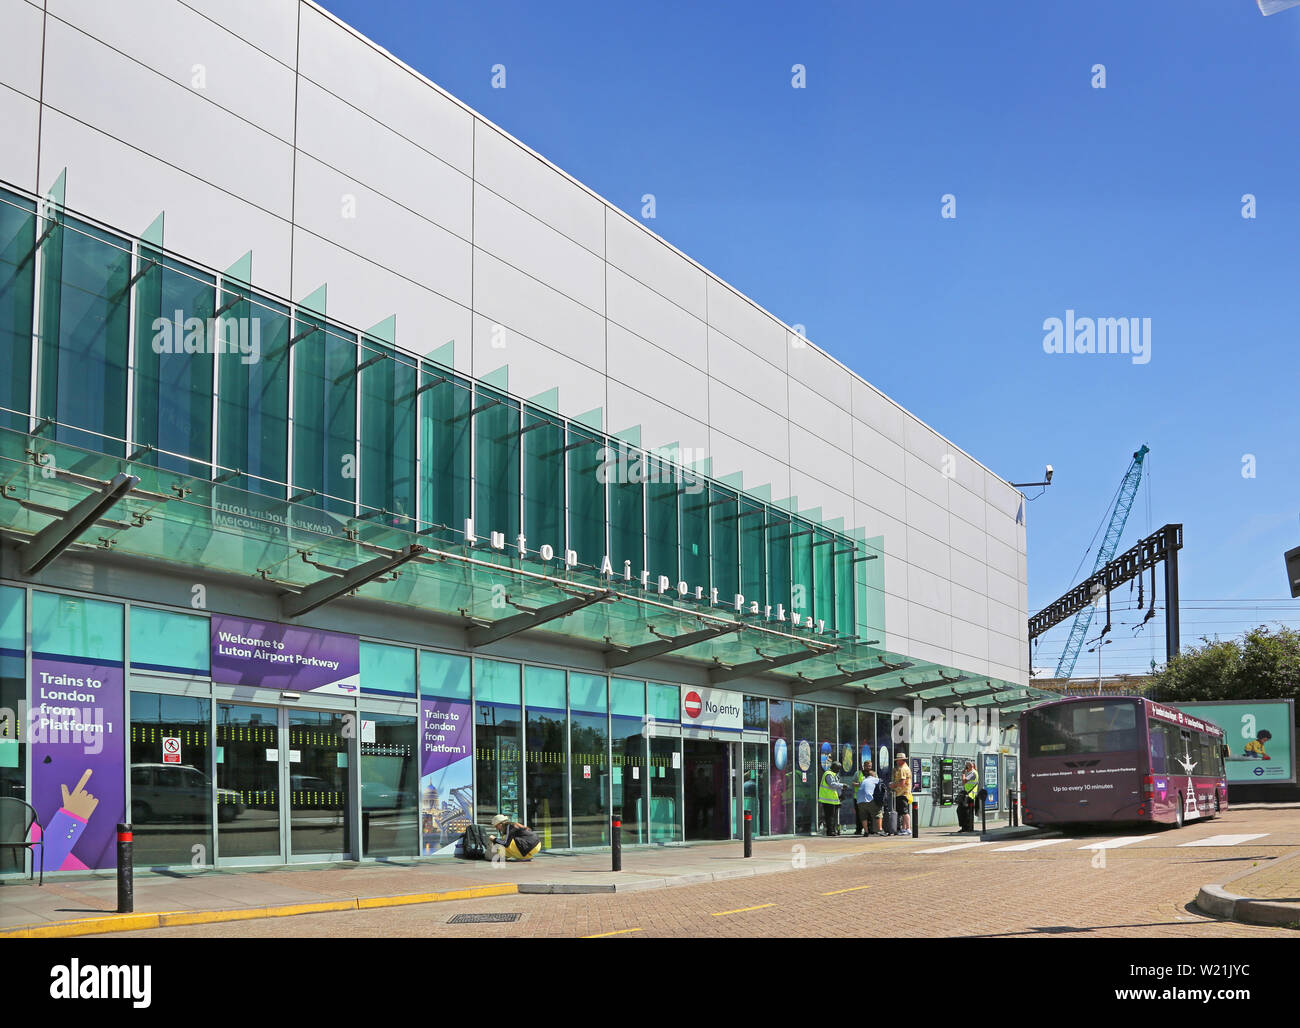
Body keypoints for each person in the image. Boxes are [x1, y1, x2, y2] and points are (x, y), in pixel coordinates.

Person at [856, 762, 883, 836]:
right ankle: (880, 830)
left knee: (863, 816)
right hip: (869, 799)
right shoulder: (875, 779)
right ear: (873, 776)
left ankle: (866, 832)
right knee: (878, 813)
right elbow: (882, 784)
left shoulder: (863, 781)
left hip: (859, 801)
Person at [819, 761, 844, 837]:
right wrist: (842, 785)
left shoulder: (834, 775)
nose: (838, 770)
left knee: (833, 816)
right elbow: (832, 784)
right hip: (827, 799)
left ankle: (833, 830)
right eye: (837, 768)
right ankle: (830, 831)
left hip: (834, 799)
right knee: (830, 816)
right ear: (833, 767)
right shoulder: (828, 774)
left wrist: (841, 795)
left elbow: (836, 787)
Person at [892, 754, 913, 836]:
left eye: (898, 760)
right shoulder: (906, 768)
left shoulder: (902, 769)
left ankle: (908, 828)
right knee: (903, 812)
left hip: (902, 793)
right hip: (905, 793)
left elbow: (902, 783)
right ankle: (904, 828)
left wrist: (893, 785)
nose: (897, 762)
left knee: (904, 812)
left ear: (901, 760)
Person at [957, 759, 980, 832]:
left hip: (969, 796)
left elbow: (964, 781)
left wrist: (963, 774)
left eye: (967, 766)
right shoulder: (974, 772)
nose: (966, 768)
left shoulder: (973, 773)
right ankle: (967, 827)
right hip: (970, 795)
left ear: (970, 766)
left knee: (964, 812)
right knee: (966, 812)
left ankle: (966, 828)